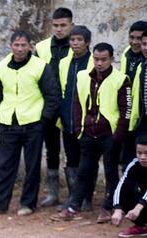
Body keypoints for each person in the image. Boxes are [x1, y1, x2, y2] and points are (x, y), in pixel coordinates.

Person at [0, 31, 59, 217]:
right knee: (5, 166)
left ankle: (28, 204)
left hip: (33, 124)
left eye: (24, 45)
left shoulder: (40, 67)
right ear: (11, 46)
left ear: (30, 46)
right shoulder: (1, 67)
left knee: (32, 167)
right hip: (8, 124)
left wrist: (43, 120)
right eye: (16, 45)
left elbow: (52, 96)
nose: (20, 48)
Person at [52, 43, 131, 223]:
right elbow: (77, 104)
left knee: (111, 172)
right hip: (88, 133)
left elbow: (126, 109)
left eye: (104, 59)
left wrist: (117, 136)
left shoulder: (120, 79)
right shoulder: (83, 77)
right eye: (96, 59)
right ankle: (73, 206)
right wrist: (80, 130)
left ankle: (107, 207)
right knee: (83, 171)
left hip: (108, 134)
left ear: (112, 59)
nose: (99, 63)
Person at [34, 7, 74, 208]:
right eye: (56, 25)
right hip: (48, 104)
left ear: (71, 25)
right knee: (51, 149)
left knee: (72, 149)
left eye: (63, 25)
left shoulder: (77, 44)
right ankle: (52, 193)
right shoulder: (41, 47)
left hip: (70, 104)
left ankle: (75, 195)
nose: (59, 29)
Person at [51, 25, 93, 209]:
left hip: (88, 122)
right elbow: (62, 90)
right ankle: (73, 198)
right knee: (71, 160)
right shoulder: (64, 63)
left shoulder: (94, 62)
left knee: (88, 160)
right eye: (73, 40)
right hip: (68, 121)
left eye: (79, 40)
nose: (75, 43)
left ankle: (87, 199)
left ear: (87, 43)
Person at [110, 133, 147, 237]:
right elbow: (121, 186)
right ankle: (142, 226)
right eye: (139, 153)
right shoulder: (133, 165)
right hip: (144, 201)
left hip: (144, 202)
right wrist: (117, 208)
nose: (142, 157)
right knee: (127, 191)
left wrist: (139, 207)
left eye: (146, 153)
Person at [121, 22, 147, 163]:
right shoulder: (126, 54)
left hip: (140, 117)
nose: (135, 42)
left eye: (139, 39)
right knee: (127, 158)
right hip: (127, 114)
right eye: (132, 37)